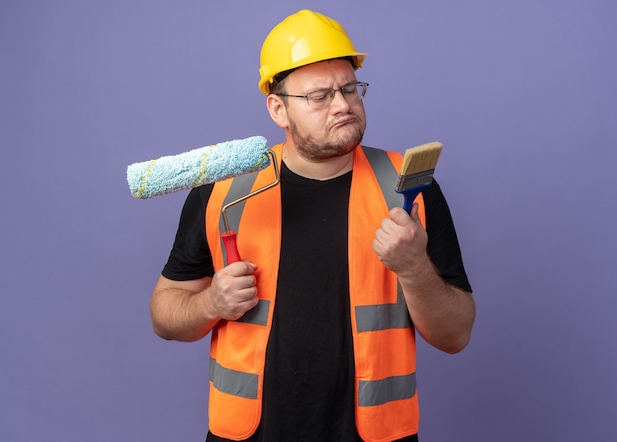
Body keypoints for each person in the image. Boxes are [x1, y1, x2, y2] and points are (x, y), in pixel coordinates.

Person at [149, 9, 475, 442]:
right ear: (278, 109)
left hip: (376, 436)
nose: (342, 105)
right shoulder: (223, 193)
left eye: (349, 89)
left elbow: (456, 335)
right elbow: (164, 315)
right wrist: (211, 303)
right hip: (247, 435)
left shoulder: (409, 189)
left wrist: (414, 267)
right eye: (320, 96)